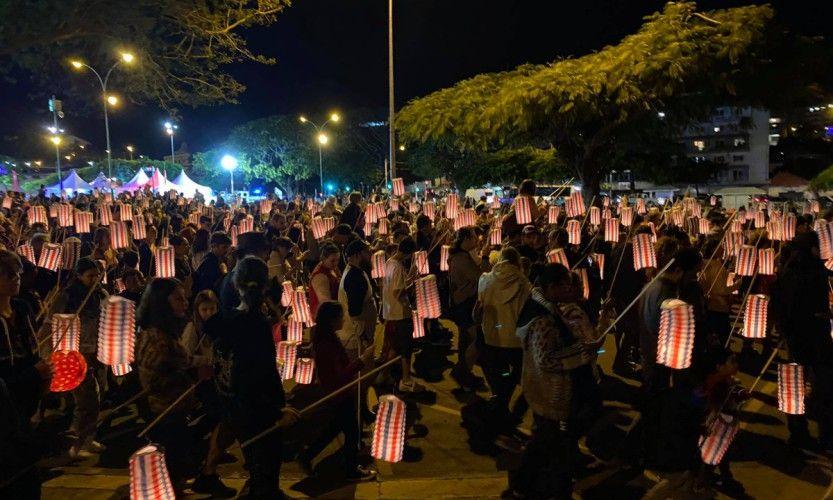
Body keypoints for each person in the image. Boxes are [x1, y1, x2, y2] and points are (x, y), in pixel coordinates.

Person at [206, 256, 299, 498]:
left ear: (235, 286)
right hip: (257, 411)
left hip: (233, 406)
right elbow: (260, 374)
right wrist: (279, 410)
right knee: (266, 469)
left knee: (258, 467)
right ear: (265, 287)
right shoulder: (255, 326)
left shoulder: (223, 321)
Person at [507, 263, 598, 498]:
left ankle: (541, 479)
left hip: (542, 388)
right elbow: (546, 359)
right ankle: (530, 483)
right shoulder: (542, 320)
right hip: (547, 389)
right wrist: (581, 352)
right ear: (551, 287)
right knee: (545, 440)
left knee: (549, 439)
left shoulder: (545, 308)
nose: (569, 289)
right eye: (565, 285)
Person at [297, 301, 377, 481]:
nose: (343, 319)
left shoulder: (328, 338)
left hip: (338, 393)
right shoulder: (326, 344)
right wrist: (362, 360)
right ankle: (351, 471)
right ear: (333, 320)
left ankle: (306, 456)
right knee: (351, 431)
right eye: (341, 316)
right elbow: (339, 376)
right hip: (338, 393)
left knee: (335, 428)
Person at [771, 232, 833, 450]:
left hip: (795, 338)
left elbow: (779, 305)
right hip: (816, 338)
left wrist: (784, 330)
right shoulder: (815, 272)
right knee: (825, 386)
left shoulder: (786, 271)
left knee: (796, 384)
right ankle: (825, 435)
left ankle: (798, 431)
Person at [0, 249, 52, 497]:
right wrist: (34, 373)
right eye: (8, 273)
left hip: (27, 406)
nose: (16, 277)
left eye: (18, 271)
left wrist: (44, 375)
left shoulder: (22, 308)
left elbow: (34, 352)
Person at [49, 257, 108, 458]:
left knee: (96, 397)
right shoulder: (68, 297)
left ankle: (87, 437)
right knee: (84, 399)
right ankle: (74, 441)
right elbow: (53, 321)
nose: (94, 280)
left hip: (96, 351)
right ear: (79, 276)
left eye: (96, 275)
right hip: (75, 353)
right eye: (89, 276)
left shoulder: (101, 295)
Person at [475, 247, 530, 423]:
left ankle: (499, 400)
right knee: (515, 374)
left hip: (491, 335)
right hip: (514, 338)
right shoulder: (523, 283)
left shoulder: (485, 280)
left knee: (497, 371)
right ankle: (501, 403)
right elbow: (525, 312)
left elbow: (480, 305)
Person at [447, 226, 490, 390]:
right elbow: (481, 277)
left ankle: (463, 372)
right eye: (473, 237)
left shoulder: (460, 257)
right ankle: (462, 372)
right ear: (465, 240)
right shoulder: (461, 260)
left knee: (466, 341)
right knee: (479, 340)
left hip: (463, 303)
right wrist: (485, 256)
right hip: (464, 306)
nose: (476, 240)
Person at [382, 237, 423, 393]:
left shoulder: (389, 262)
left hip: (390, 312)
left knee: (394, 347)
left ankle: (383, 375)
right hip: (400, 313)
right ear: (408, 252)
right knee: (406, 348)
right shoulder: (398, 267)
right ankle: (405, 380)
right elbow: (398, 291)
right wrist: (413, 283)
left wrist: (409, 278)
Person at [308, 244, 341, 317]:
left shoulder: (331, 268)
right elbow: (326, 303)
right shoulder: (320, 276)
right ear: (323, 258)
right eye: (332, 261)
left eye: (338, 260)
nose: (336, 263)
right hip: (324, 316)